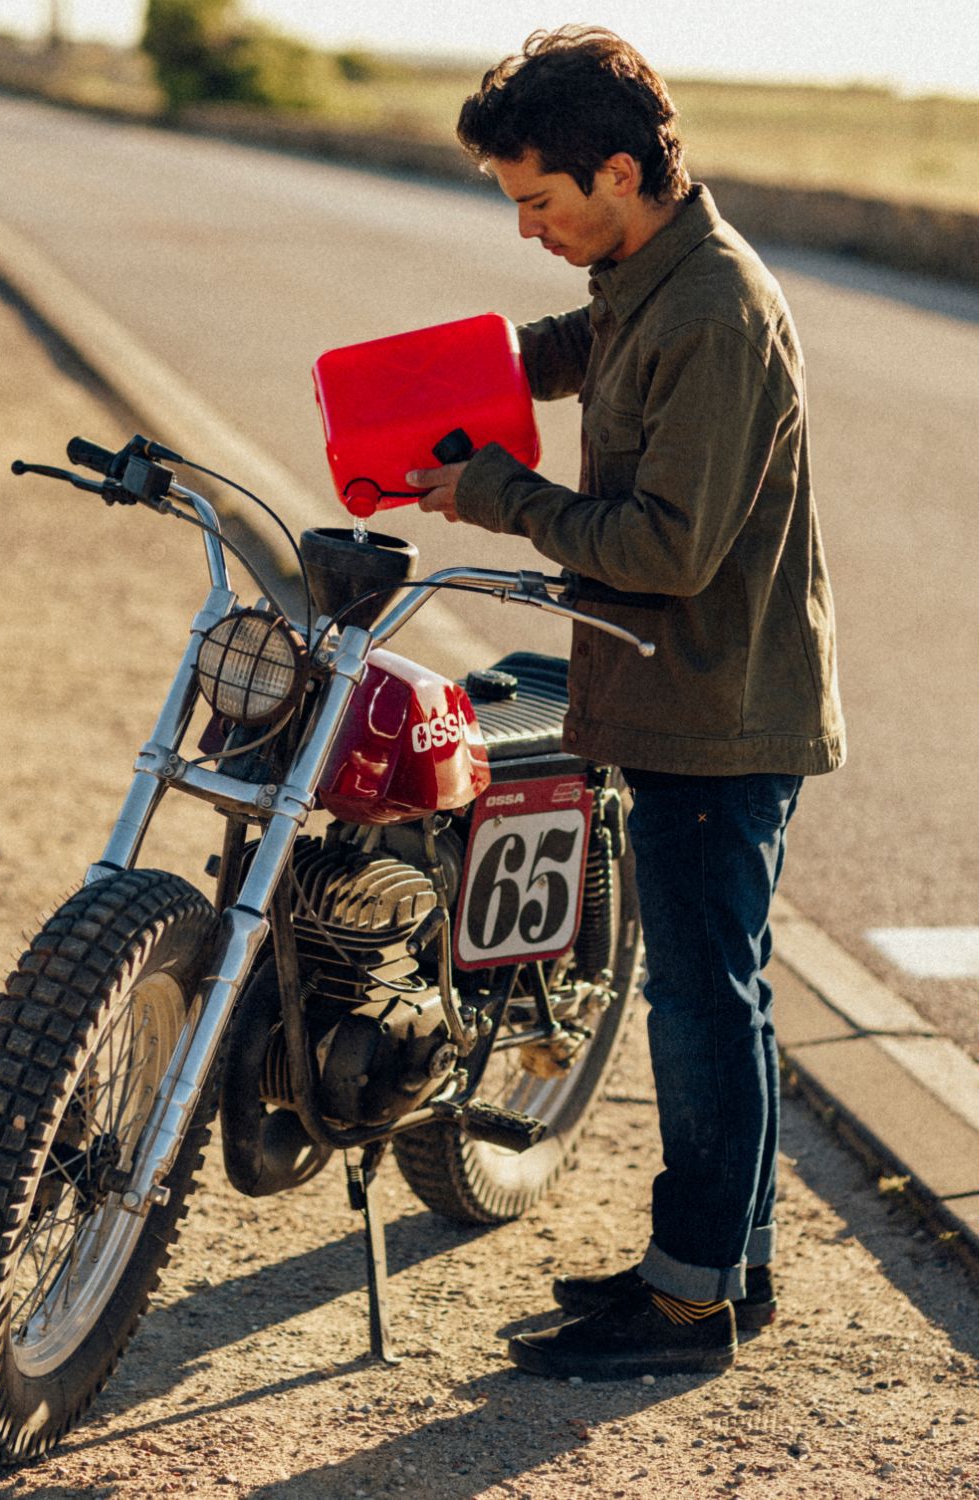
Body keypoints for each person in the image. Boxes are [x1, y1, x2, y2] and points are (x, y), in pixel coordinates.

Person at [408, 26, 846, 1382]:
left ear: (616, 169)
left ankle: (693, 1300)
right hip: (678, 696)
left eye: (541, 202)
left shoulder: (714, 307)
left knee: (706, 1006)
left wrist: (496, 496)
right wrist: (442, 379)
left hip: (715, 710)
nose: (531, 230)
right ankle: (714, 1270)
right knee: (716, 998)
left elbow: (666, 550)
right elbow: (577, 345)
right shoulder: (645, 274)